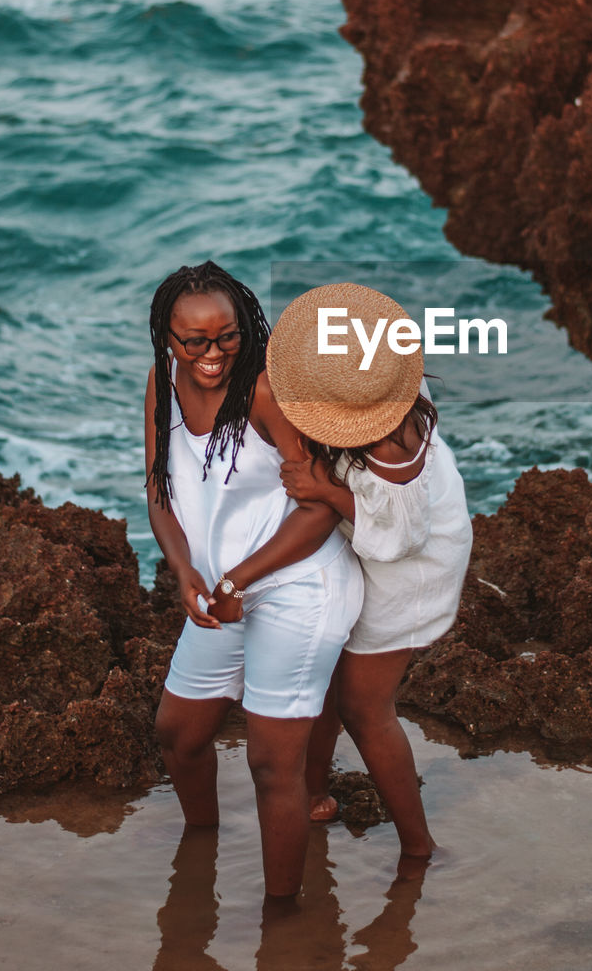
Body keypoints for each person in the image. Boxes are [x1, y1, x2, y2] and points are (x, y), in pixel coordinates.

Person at [145, 262, 363, 900]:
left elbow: (320, 507)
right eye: (196, 341)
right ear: (168, 338)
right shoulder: (162, 383)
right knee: (178, 735)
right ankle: (200, 860)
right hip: (220, 592)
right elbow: (160, 488)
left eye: (228, 336)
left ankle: (284, 925)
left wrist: (237, 580)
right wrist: (185, 570)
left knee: (273, 766)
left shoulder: (267, 391)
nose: (214, 354)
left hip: (299, 588)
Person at [265, 282, 473, 866]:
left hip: (406, 574)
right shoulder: (388, 385)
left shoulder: (388, 447)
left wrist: (327, 492)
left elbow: (401, 538)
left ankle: (418, 845)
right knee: (330, 676)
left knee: (365, 707)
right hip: (405, 538)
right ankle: (313, 790)